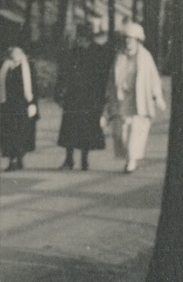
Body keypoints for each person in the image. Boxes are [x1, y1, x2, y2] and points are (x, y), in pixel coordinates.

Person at [104, 21, 167, 174]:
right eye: (126, 38)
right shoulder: (119, 57)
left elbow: (153, 77)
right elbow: (112, 79)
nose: (128, 41)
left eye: (131, 39)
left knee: (136, 131)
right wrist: (108, 100)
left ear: (138, 40)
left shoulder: (145, 57)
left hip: (139, 100)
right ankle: (129, 157)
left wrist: (157, 95)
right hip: (122, 99)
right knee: (121, 133)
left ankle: (131, 160)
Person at [55, 23, 113, 170]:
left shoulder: (98, 53)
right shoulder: (75, 52)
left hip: (90, 97)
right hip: (75, 97)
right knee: (72, 128)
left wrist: (104, 97)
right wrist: (59, 93)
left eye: (81, 37)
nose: (79, 40)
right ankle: (70, 159)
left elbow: (104, 77)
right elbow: (63, 74)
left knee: (84, 129)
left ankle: (83, 160)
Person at [0, 43, 38, 171]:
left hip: (22, 105)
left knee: (21, 133)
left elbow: (34, 86)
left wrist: (33, 103)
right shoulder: (5, 66)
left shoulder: (27, 66)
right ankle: (13, 160)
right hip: (8, 105)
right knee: (10, 134)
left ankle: (19, 158)